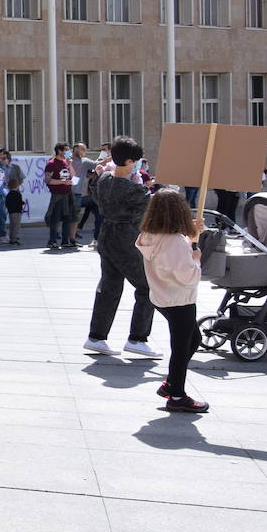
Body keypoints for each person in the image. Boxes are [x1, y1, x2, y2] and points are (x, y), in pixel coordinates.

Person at [84, 136, 161, 359]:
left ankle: (96, 336)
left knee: (109, 287)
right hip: (126, 236)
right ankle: (137, 338)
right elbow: (150, 204)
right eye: (135, 161)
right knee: (147, 287)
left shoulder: (104, 179)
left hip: (106, 234)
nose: (137, 165)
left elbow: (97, 187)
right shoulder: (132, 189)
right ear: (128, 161)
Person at [137, 190, 211, 414]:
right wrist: (196, 258)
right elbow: (188, 275)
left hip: (162, 296)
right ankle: (177, 395)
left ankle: (172, 383)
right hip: (180, 298)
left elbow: (170, 253)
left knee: (192, 339)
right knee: (181, 347)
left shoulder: (148, 235)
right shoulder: (175, 242)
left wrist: (192, 234)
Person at [44, 142, 77, 250]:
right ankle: (52, 241)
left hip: (68, 194)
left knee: (67, 218)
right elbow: (48, 180)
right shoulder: (52, 163)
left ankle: (65, 241)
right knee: (55, 218)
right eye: (66, 150)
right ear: (60, 151)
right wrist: (62, 182)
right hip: (58, 195)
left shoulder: (66, 162)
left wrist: (70, 164)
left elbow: (73, 176)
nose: (69, 152)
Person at [72, 143, 99, 245]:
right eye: (82, 149)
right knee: (68, 215)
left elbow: (97, 164)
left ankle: (72, 237)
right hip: (71, 193)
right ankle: (69, 237)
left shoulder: (84, 161)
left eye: (85, 149)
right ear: (75, 149)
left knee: (75, 215)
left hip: (78, 193)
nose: (84, 151)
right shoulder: (70, 161)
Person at [6, 178, 25, 245]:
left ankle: (11, 238)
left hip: (11, 212)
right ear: (17, 186)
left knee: (12, 226)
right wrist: (22, 203)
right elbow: (19, 202)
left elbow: (7, 203)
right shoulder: (18, 194)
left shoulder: (8, 194)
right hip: (17, 212)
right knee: (16, 226)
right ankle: (14, 239)